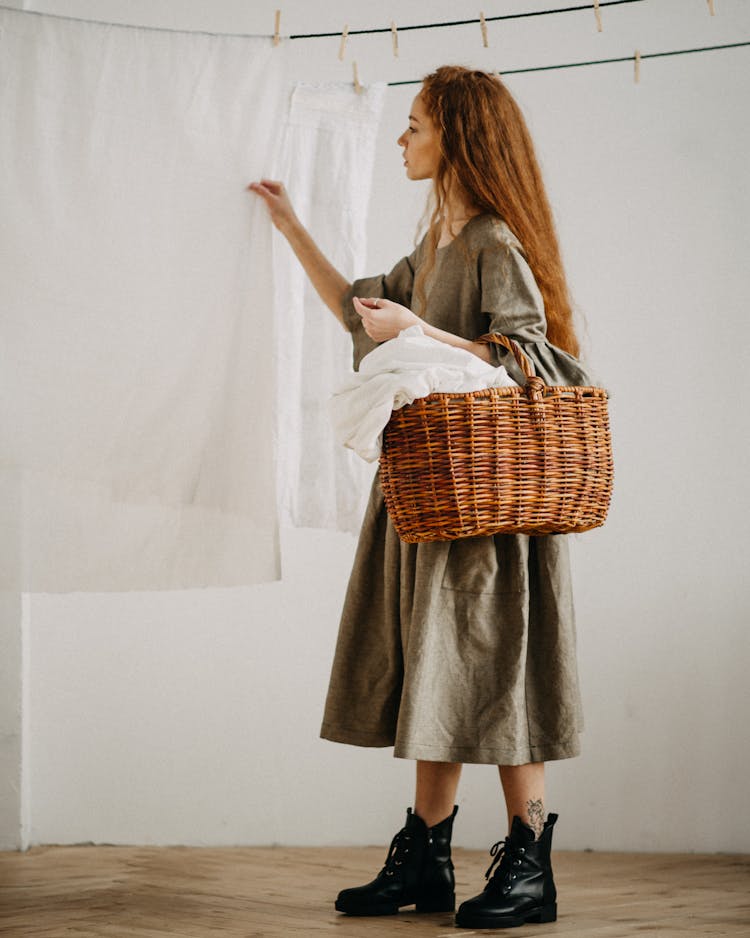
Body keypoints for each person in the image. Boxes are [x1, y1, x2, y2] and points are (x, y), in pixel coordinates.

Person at [249, 65, 593, 931]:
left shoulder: (490, 241)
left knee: (501, 674)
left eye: (415, 126)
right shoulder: (435, 248)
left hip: (489, 508)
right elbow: (357, 308)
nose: (402, 139)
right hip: (434, 494)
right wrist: (289, 222)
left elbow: (531, 362)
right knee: (436, 671)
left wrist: (421, 332)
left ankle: (529, 862)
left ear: (456, 141)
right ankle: (428, 855)